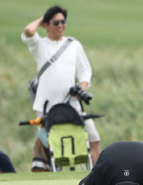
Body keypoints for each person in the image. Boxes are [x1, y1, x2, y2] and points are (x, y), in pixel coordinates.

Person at [22, 5, 101, 170]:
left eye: (63, 21)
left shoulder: (74, 44)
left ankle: (98, 175)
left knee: (93, 138)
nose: (60, 25)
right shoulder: (40, 45)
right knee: (50, 144)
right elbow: (29, 31)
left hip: (72, 104)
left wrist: (82, 87)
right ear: (46, 25)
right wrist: (43, 19)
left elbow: (85, 70)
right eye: (55, 22)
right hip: (46, 106)